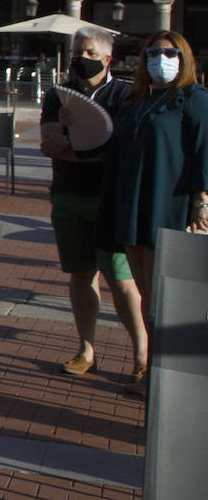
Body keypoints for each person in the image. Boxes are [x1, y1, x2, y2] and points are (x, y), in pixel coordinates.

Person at [99, 30, 208, 394]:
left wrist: (202, 203)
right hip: (135, 206)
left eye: (169, 52)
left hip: (172, 207)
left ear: (184, 57)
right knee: (147, 295)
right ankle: (156, 374)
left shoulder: (193, 98)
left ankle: (174, 378)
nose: (160, 59)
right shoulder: (135, 101)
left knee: (169, 298)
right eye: (152, 52)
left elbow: (204, 152)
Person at [38, 27, 143, 379]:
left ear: (107, 58)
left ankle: (142, 354)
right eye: (78, 51)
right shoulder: (58, 95)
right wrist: (85, 148)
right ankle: (87, 350)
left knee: (120, 278)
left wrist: (74, 148)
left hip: (109, 199)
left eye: (90, 53)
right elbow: (50, 144)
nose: (81, 58)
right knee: (81, 275)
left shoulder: (125, 94)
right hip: (68, 195)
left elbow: (121, 152)